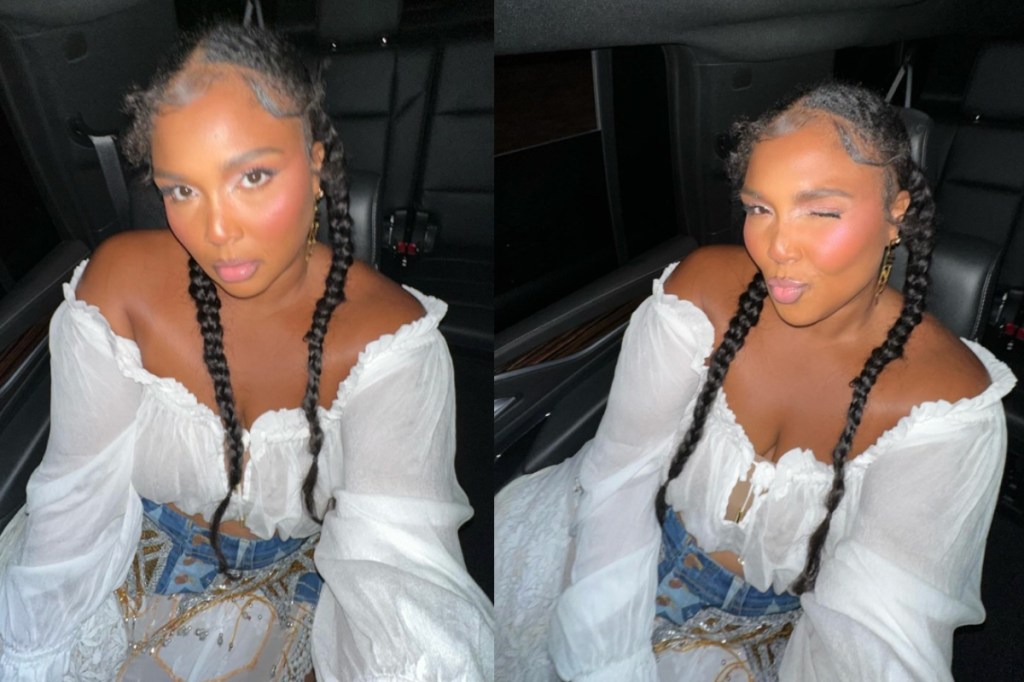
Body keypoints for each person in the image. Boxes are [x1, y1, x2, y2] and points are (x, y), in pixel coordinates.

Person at [0, 24, 494, 681]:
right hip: (121, 550)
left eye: (253, 176)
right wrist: (30, 655)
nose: (217, 230)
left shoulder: (389, 344)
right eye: (182, 190)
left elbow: (401, 573)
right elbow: (74, 495)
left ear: (316, 165)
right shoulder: (117, 289)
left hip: (284, 586)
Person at [495, 82, 1015, 681]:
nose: (777, 248)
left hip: (769, 635)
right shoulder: (699, 296)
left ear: (896, 213)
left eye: (821, 211)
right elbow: (620, 478)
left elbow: (868, 643)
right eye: (759, 208)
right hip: (616, 546)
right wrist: (606, 660)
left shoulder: (943, 406)